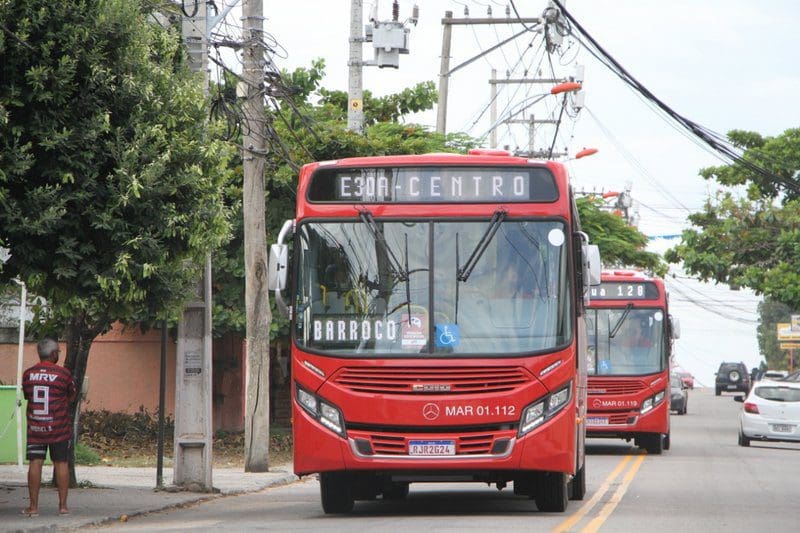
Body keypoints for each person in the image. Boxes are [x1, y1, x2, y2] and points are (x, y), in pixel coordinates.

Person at [21, 338, 78, 517]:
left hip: (36, 428)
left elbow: (28, 396)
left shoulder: (28, 374)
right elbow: (71, 396)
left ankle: (33, 508)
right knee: (61, 463)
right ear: (53, 354)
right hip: (58, 428)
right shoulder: (63, 374)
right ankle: (63, 507)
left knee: (35, 463)